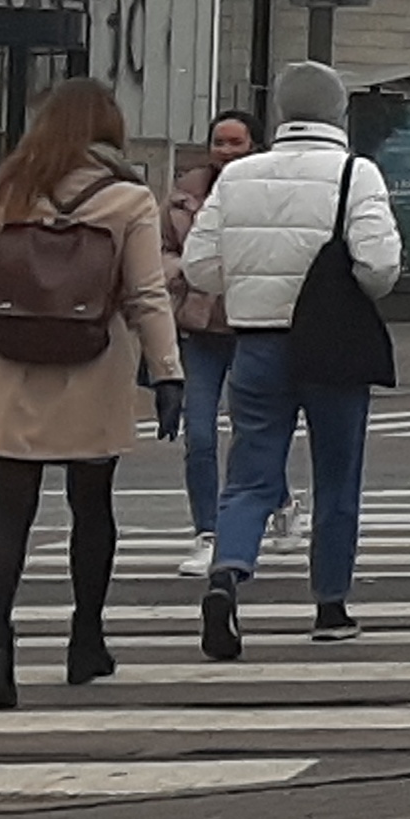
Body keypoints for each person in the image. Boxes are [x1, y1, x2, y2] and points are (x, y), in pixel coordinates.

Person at [0, 78, 173, 709]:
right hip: (92, 365)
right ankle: (85, 640)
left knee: (8, 514)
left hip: (9, 362)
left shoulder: (11, 188)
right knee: (91, 507)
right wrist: (168, 371)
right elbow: (148, 295)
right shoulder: (128, 198)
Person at [175, 62, 398, 655]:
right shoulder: (358, 174)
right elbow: (379, 268)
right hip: (334, 348)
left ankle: (227, 572)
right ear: (339, 113)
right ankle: (330, 604)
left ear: (279, 114)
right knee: (337, 476)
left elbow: (198, 267)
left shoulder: (240, 176)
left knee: (250, 472)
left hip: (256, 343)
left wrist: (249, 282)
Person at [159, 109, 250, 554]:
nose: (227, 151)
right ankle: (207, 530)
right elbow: (161, 251)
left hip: (253, 327)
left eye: (236, 142)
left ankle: (278, 499)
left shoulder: (264, 188)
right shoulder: (184, 194)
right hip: (198, 328)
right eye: (220, 141)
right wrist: (186, 272)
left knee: (254, 433)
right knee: (199, 434)